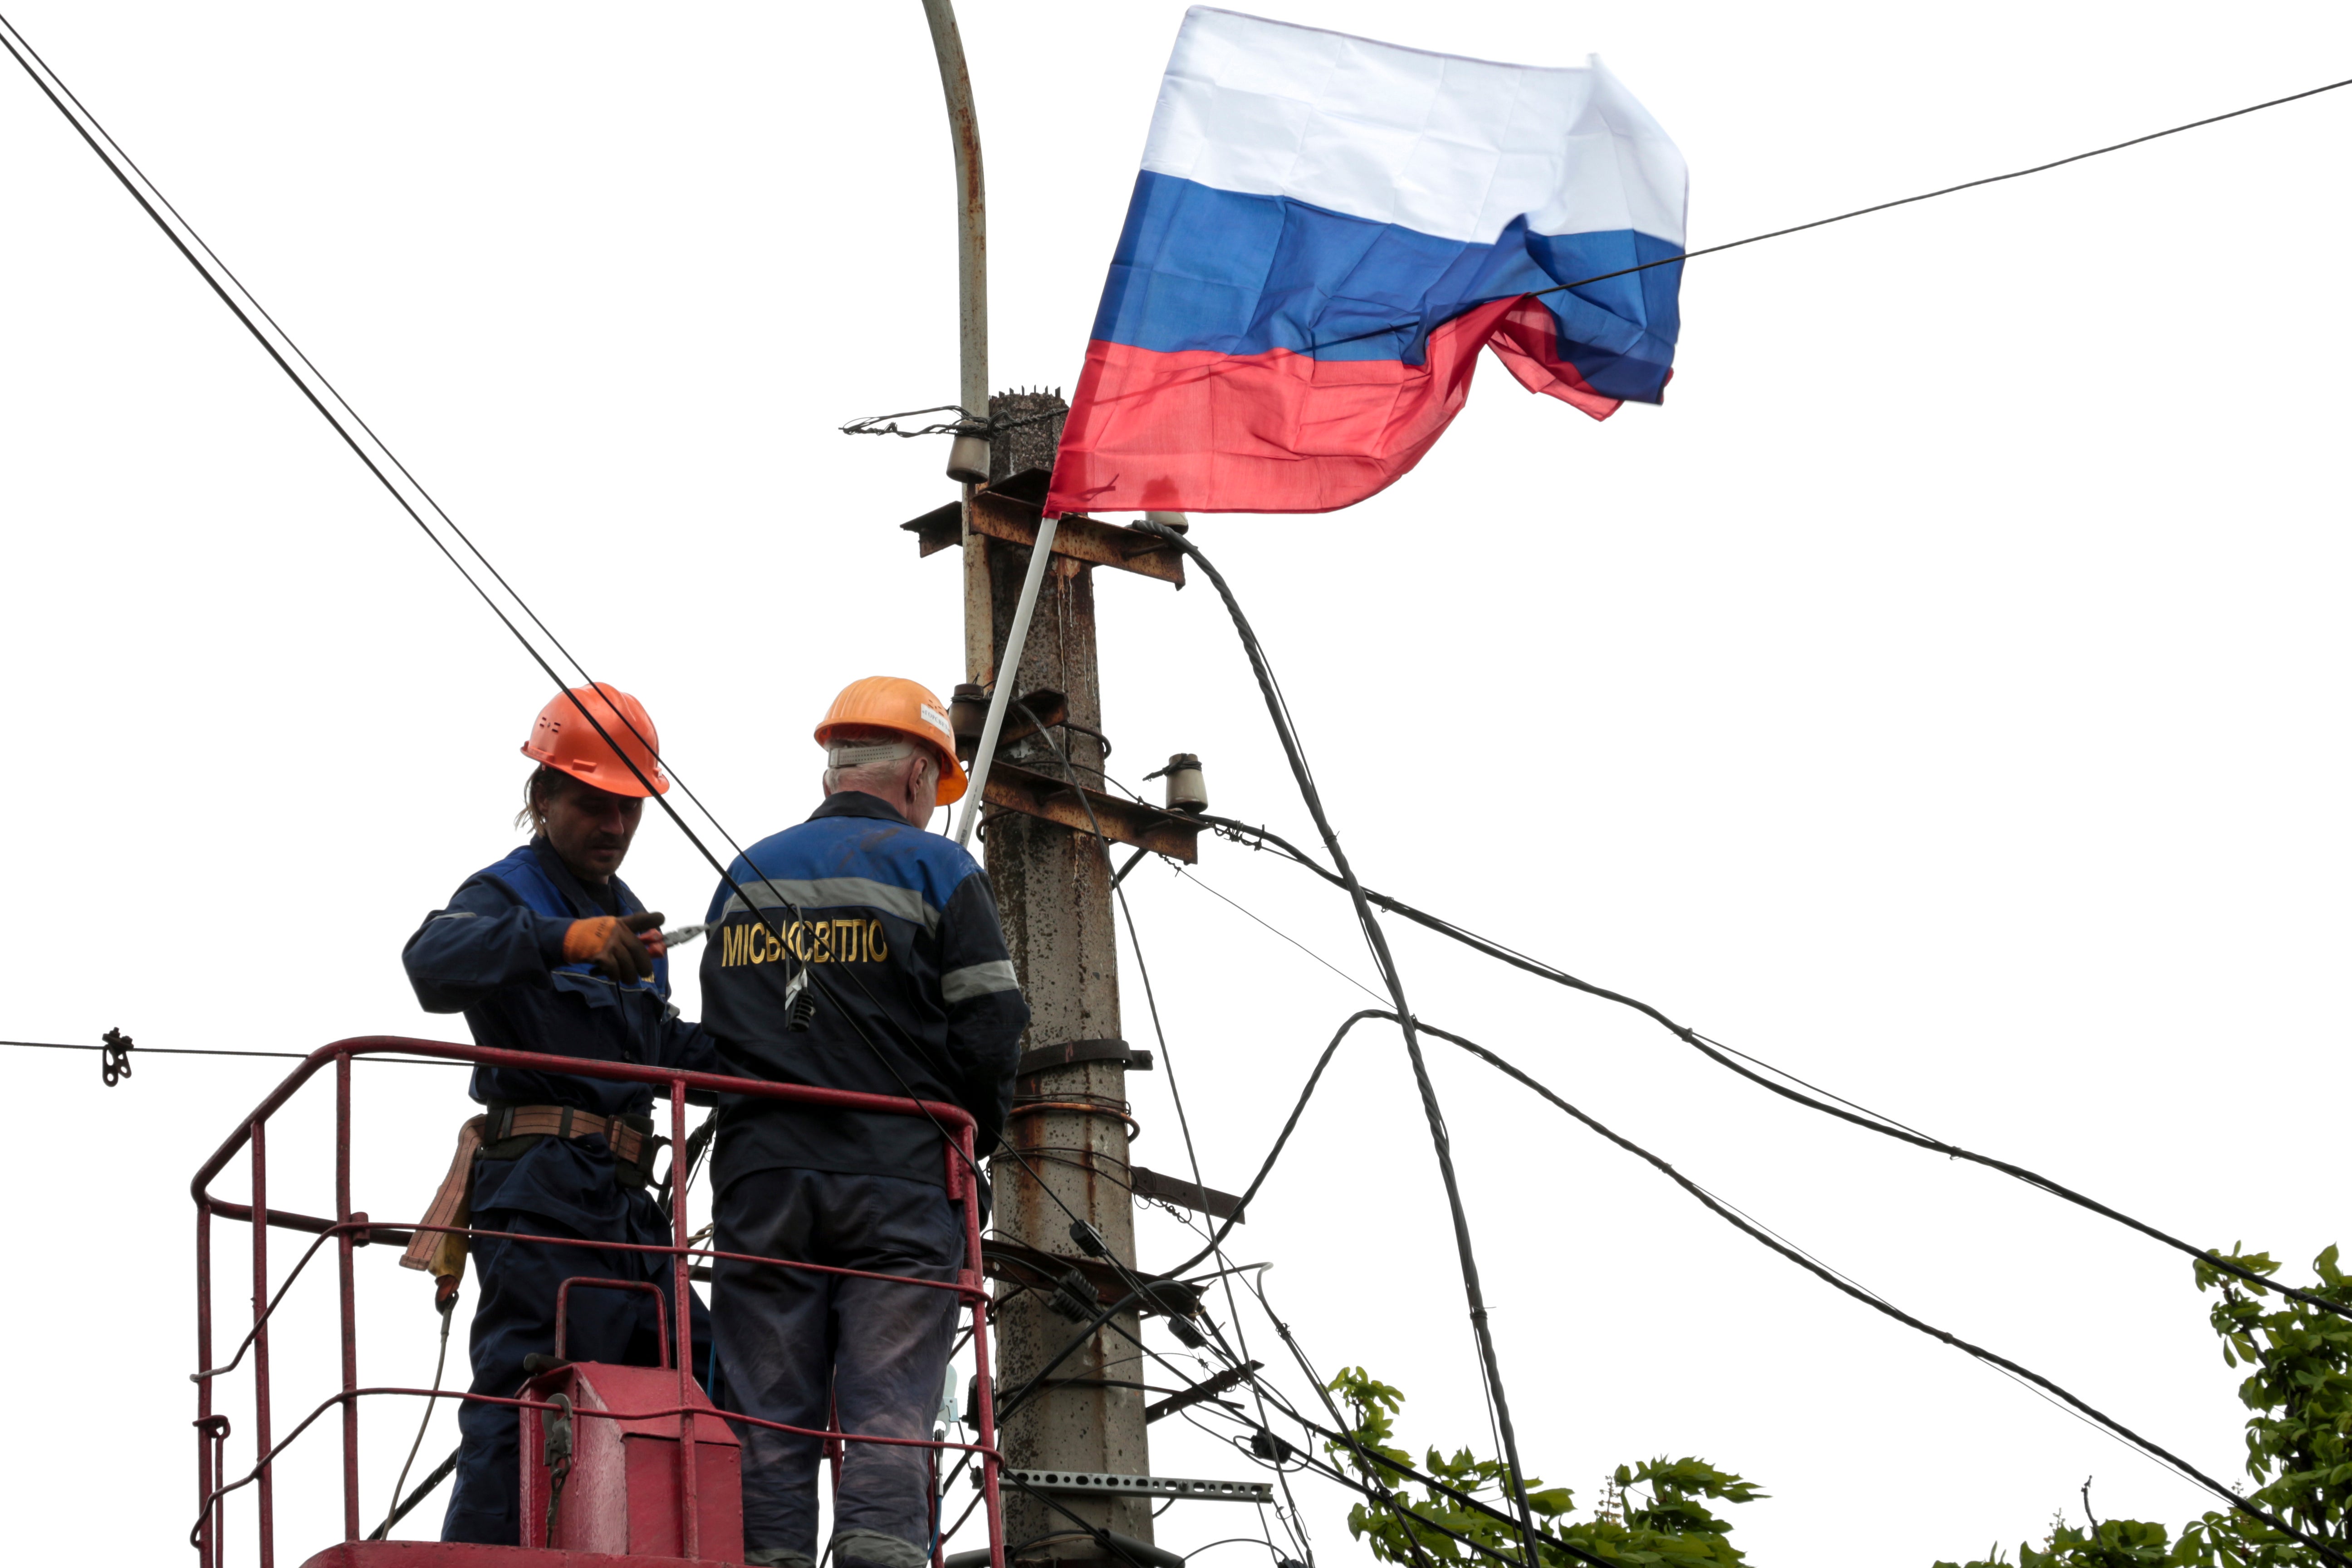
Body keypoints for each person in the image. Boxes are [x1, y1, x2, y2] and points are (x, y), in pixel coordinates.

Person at [701, 676, 1029, 1568]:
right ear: (921, 776)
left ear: (832, 770)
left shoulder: (745, 875)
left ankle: (767, 1560)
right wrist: (972, 1140)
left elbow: (723, 1035)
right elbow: (994, 1028)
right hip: (896, 1187)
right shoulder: (938, 870)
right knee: (888, 1408)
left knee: (768, 1417)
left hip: (762, 1184)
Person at [402, 682, 719, 1545]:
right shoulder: (509, 890)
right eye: (592, 803)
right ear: (542, 795)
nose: (613, 826)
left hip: (624, 1205)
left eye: (628, 809)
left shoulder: (627, 921)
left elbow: (655, 1053)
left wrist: (770, 1045)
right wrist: (560, 942)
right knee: (526, 1390)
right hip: (541, 1197)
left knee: (700, 1366)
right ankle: (480, 1562)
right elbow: (430, 960)